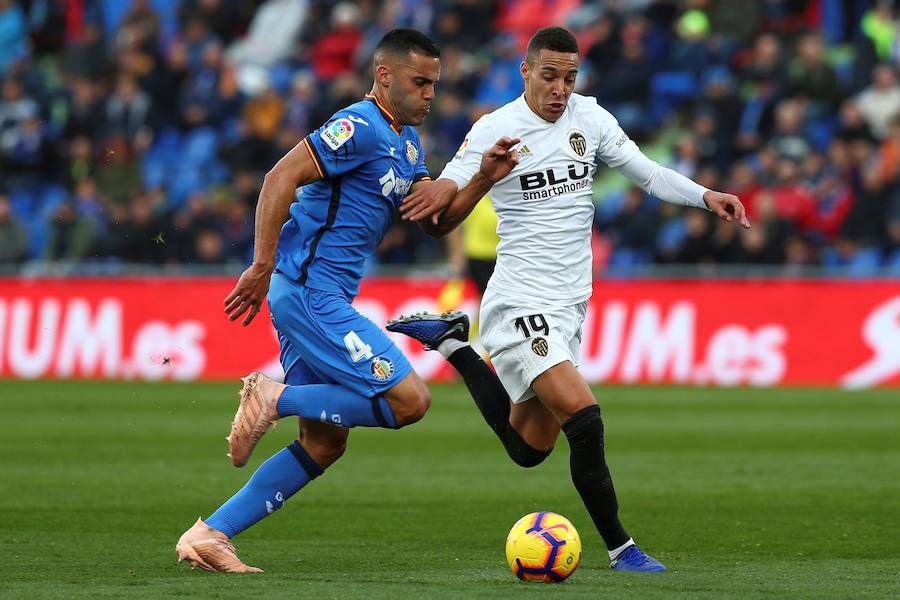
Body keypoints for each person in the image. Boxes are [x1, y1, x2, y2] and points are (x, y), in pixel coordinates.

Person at [388, 26, 750, 573]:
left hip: (569, 305)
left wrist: (704, 196)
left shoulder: (592, 119)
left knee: (529, 449)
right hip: (516, 303)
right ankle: (622, 548)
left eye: (570, 77)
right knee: (585, 418)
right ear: (526, 72)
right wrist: (483, 176)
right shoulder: (496, 128)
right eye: (550, 76)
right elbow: (442, 219)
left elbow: (648, 175)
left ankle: (454, 346)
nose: (560, 88)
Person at [174, 28, 508, 573]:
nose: (430, 94)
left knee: (325, 444)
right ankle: (273, 398)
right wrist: (260, 264)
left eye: (435, 85)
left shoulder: (405, 145)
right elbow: (280, 175)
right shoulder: (359, 126)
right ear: (384, 75)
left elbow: (434, 221)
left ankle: (210, 534)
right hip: (312, 294)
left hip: (311, 297)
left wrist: (482, 180)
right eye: (419, 82)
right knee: (410, 401)